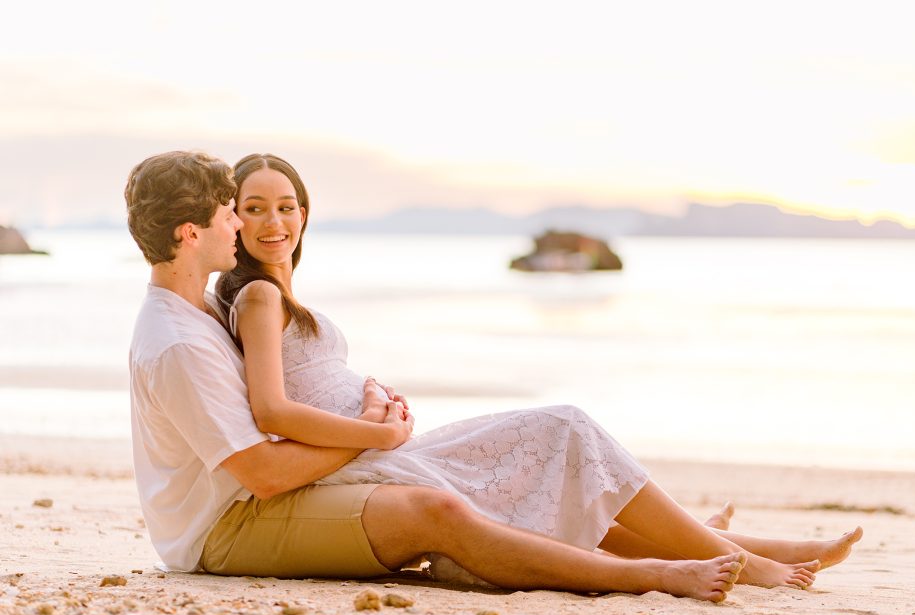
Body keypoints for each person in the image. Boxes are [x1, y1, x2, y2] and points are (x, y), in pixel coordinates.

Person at [212, 152, 863, 589]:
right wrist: (373, 431)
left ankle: (746, 547)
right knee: (564, 428)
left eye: (287, 205)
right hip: (360, 463)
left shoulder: (276, 293)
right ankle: (739, 558)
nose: (275, 221)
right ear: (231, 218)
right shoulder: (261, 297)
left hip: (369, 454)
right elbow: (271, 410)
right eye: (256, 207)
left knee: (553, 461)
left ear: (304, 213)